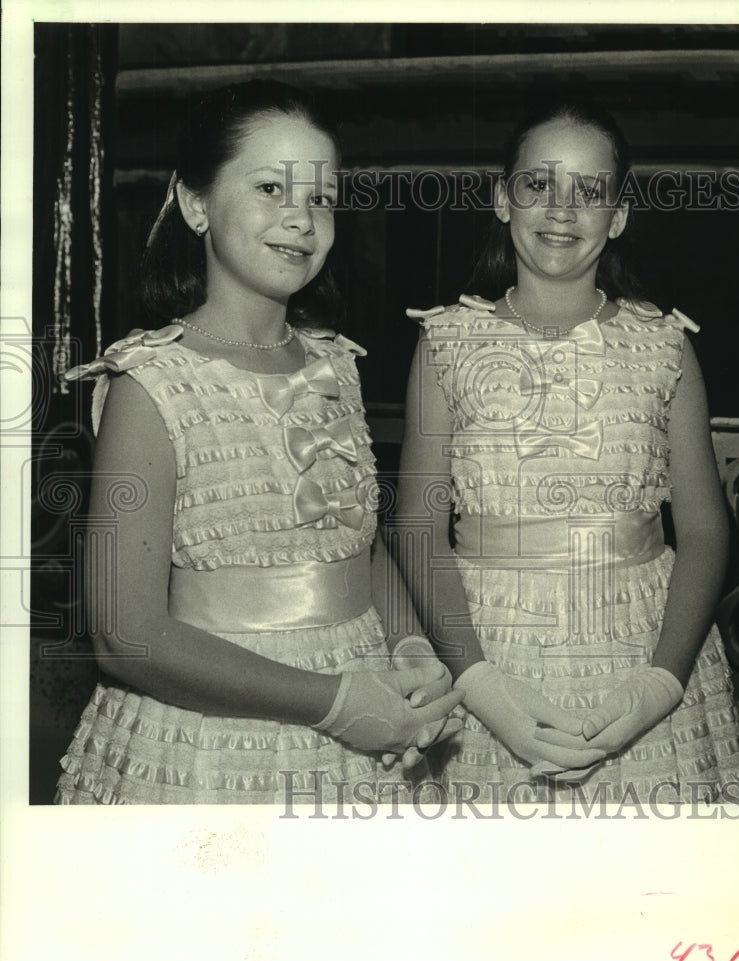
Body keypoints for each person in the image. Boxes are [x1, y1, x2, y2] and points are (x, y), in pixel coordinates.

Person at [56, 80, 463, 806]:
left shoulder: (337, 364)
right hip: (212, 745)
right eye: (271, 187)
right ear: (196, 203)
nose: (300, 220)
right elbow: (127, 634)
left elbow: (356, 549)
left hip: (368, 725)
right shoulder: (151, 385)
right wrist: (333, 703)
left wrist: (409, 645)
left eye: (321, 198)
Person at [393, 96, 739, 805]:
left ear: (617, 216)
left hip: (639, 641)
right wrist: (479, 684)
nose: (562, 210)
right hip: (487, 645)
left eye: (589, 192)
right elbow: (417, 528)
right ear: (502, 200)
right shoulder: (446, 343)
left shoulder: (663, 346)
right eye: (538, 185)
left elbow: (706, 533)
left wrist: (660, 683)